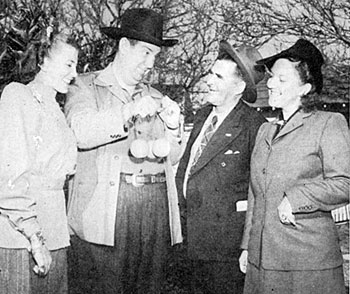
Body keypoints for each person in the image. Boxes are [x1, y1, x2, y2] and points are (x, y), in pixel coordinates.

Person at [64, 8, 183, 294]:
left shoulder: (156, 97)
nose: (151, 62)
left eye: (155, 54)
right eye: (145, 52)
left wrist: (174, 127)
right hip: (106, 211)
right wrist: (127, 111)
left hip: (154, 211)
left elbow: (174, 158)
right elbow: (80, 131)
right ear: (122, 46)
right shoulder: (84, 86)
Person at [239, 39, 350, 294]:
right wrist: (248, 245)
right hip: (261, 262)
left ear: (305, 88)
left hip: (306, 266)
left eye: (281, 79)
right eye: (271, 77)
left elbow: (345, 182)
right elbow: (255, 193)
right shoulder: (265, 130)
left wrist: (296, 198)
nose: (270, 83)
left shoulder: (328, 123)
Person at [175, 40, 266, 294]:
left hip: (223, 250)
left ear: (238, 86)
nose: (208, 81)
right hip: (188, 240)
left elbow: (258, 190)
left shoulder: (254, 125)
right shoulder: (203, 115)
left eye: (218, 76)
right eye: (210, 73)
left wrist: (247, 246)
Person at [0, 31, 78, 293]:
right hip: (22, 236)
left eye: (76, 65)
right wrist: (35, 237)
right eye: (68, 64)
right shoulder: (17, 96)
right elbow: (9, 177)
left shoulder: (55, 108)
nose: (74, 73)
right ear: (43, 59)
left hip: (55, 230)